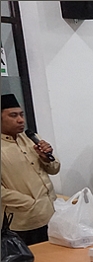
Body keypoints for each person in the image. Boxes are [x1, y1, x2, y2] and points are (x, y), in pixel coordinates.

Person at [1, 94, 60, 245]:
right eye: (13, 115)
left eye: (21, 115)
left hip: (52, 214)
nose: (21, 120)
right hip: (24, 222)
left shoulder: (30, 138)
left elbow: (54, 169)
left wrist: (46, 158)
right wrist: (29, 203)